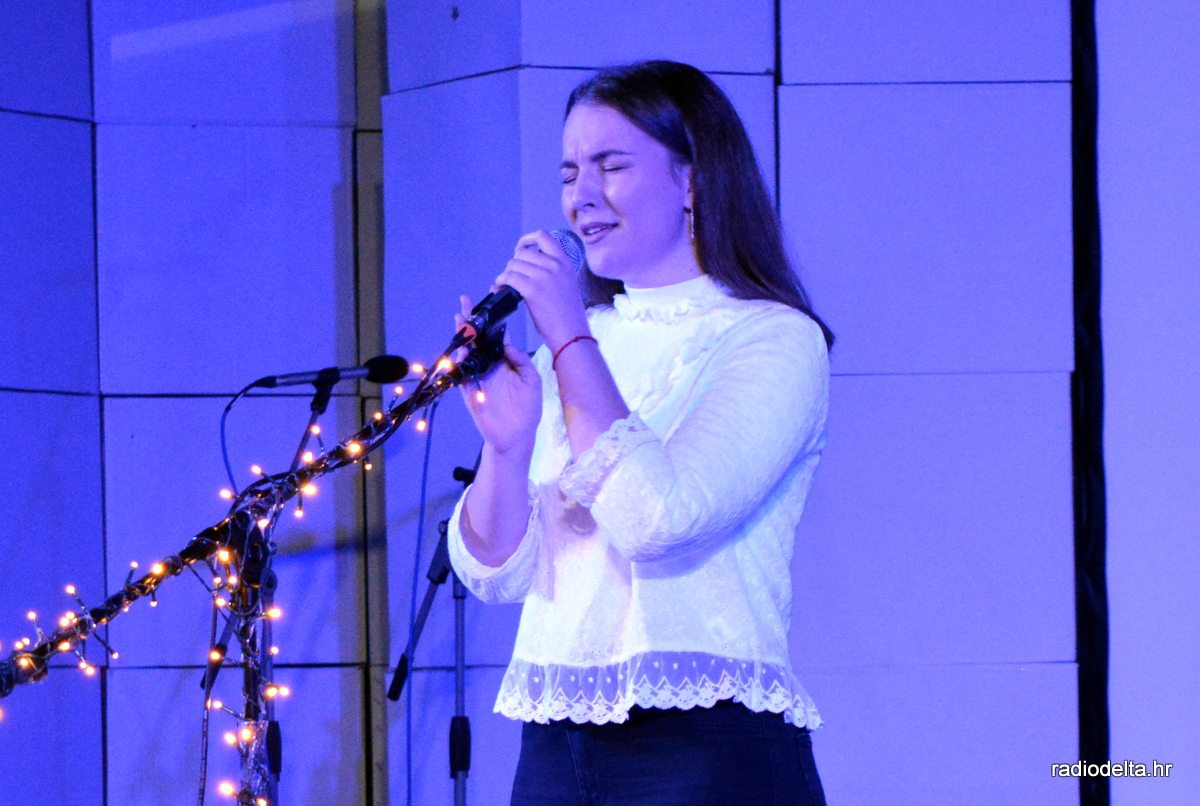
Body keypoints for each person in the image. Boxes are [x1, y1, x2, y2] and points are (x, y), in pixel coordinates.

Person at [446, 60, 832, 806]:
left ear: (693, 179)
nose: (581, 196)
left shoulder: (772, 338)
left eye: (611, 166)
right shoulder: (578, 347)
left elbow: (659, 520)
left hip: (705, 740)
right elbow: (498, 576)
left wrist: (566, 334)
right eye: (569, 173)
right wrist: (506, 445)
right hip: (556, 740)